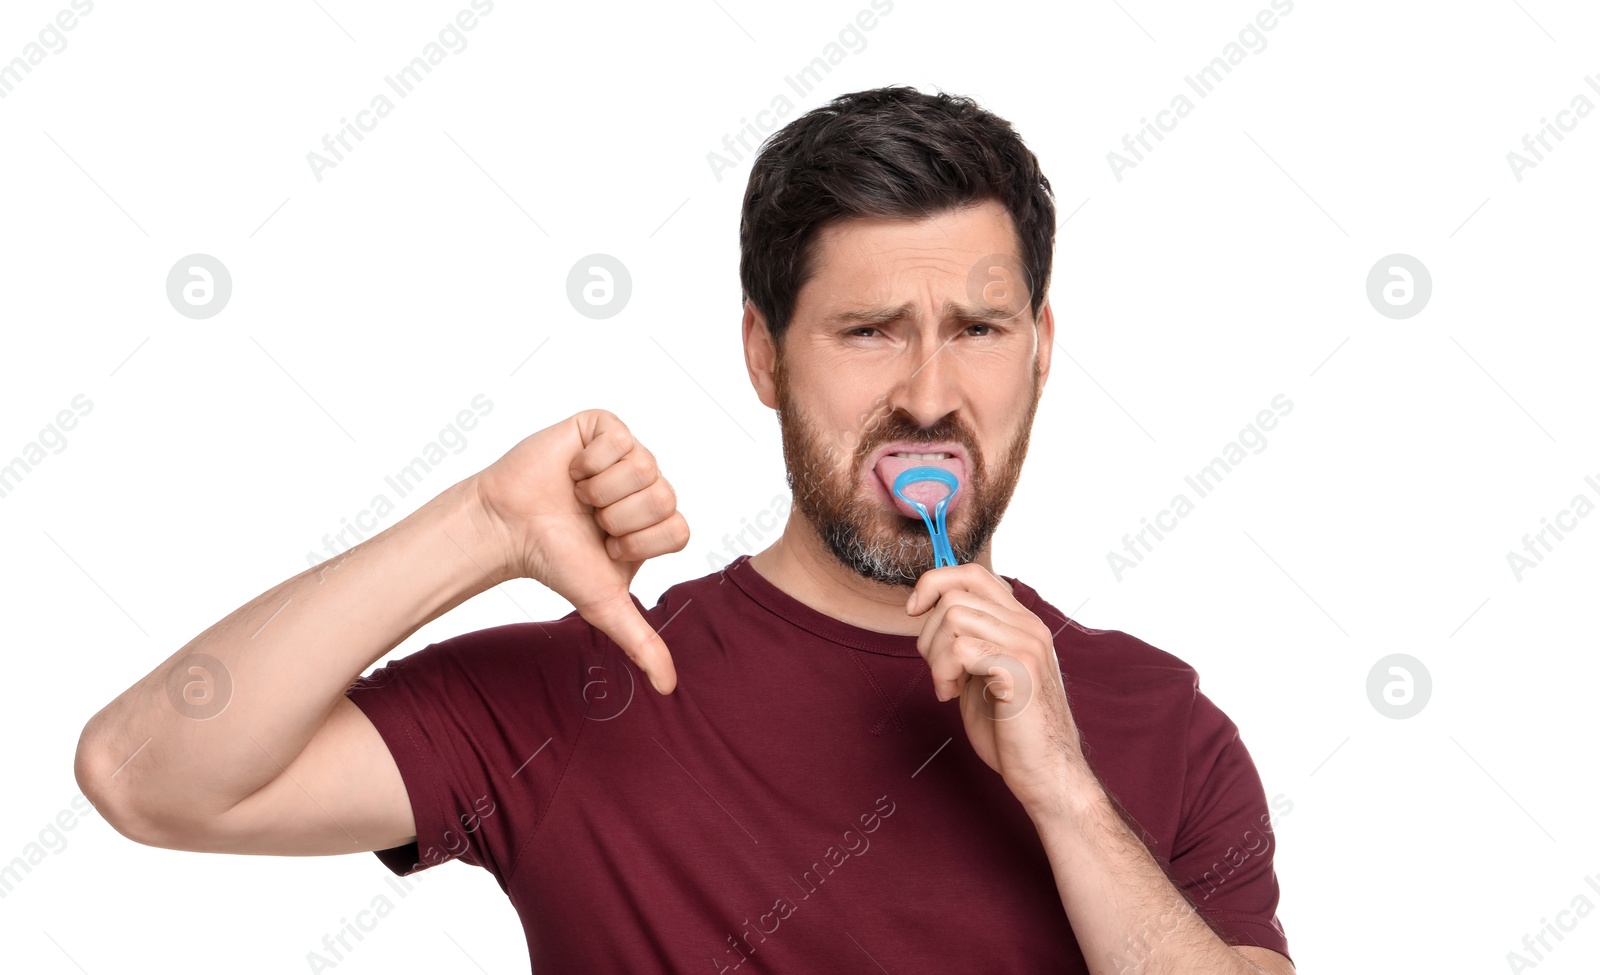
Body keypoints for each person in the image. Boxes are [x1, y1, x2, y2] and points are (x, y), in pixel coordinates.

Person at [74, 86, 1294, 974]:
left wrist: (1065, 795)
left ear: (1039, 348)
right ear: (763, 353)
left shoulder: (1157, 723)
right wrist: (483, 522)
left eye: (975, 329)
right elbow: (145, 776)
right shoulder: (588, 694)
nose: (928, 392)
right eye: (868, 330)